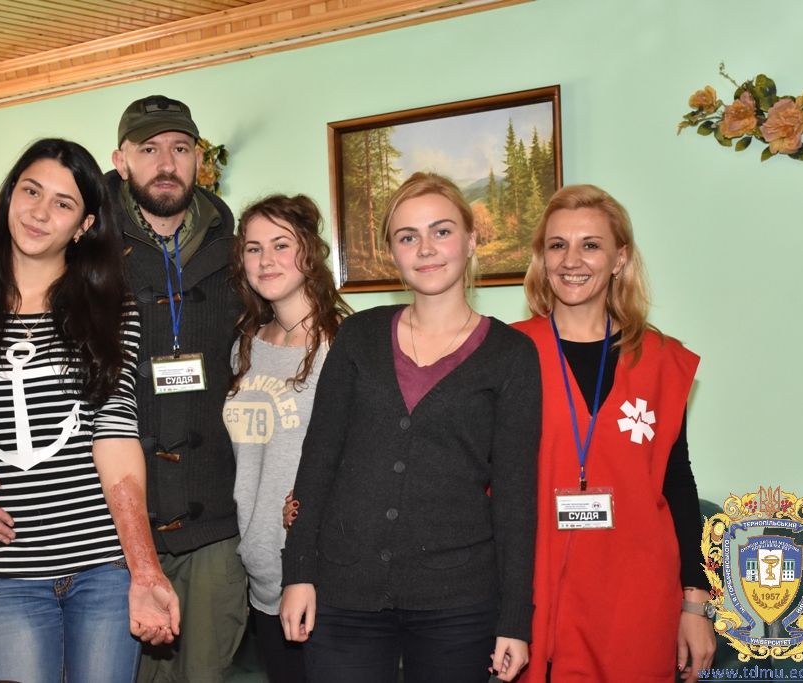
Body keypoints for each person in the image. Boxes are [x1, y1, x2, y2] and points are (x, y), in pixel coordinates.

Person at [0, 96, 247, 683]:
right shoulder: (93, 265)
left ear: (199, 160)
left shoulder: (236, 255)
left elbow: (280, 339)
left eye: (180, 148)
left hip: (197, 516)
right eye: (149, 148)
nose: (166, 162)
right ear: (121, 159)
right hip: (105, 534)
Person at [0, 138, 179, 682]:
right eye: (31, 191)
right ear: (9, 198)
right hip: (10, 571)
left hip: (102, 565)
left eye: (63, 203)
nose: (40, 212)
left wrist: (144, 569)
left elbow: (116, 436)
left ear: (84, 225)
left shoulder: (111, 311)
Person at [279, 172, 541, 683]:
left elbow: (516, 497)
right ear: (391, 253)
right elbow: (319, 459)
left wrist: (515, 620)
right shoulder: (360, 336)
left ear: (471, 240)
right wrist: (299, 572)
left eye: (441, 231)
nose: (426, 249)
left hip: (457, 602)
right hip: (344, 592)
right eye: (407, 237)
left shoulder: (512, 356)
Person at [513, 184, 716, 683]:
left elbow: (678, 484)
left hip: (636, 598)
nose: (571, 260)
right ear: (542, 257)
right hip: (536, 594)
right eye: (557, 245)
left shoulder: (661, 360)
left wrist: (695, 604)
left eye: (590, 245)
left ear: (620, 258)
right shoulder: (507, 354)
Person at [224, 194, 352, 683]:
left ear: (309, 253)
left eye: (281, 245)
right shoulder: (244, 345)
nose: (266, 260)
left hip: (322, 575)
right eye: (253, 248)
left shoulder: (343, 346)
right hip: (260, 572)